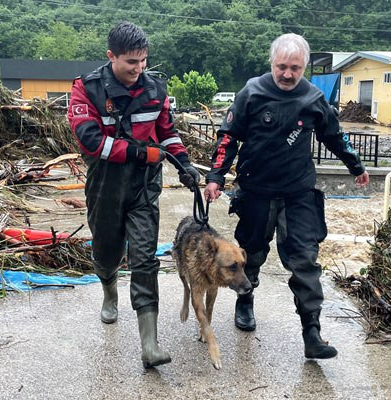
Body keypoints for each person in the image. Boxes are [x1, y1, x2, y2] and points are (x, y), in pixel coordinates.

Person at [204, 33, 369, 359]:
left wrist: (356, 165)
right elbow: (228, 138)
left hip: (298, 194)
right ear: (272, 63)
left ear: (304, 66)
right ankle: (245, 301)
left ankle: (312, 332)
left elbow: (334, 136)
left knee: (305, 261)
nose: (288, 74)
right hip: (256, 192)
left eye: (295, 68)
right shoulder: (252, 92)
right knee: (250, 254)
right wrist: (215, 176)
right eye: (282, 67)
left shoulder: (312, 99)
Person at [67, 21, 199, 368]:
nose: (138, 69)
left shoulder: (155, 89)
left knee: (144, 258)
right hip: (105, 184)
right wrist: (142, 152)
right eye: (131, 62)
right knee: (108, 251)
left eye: (143, 61)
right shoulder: (86, 90)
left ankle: (150, 344)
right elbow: (91, 141)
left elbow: (167, 133)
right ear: (111, 56)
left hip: (143, 187)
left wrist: (184, 164)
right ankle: (109, 290)